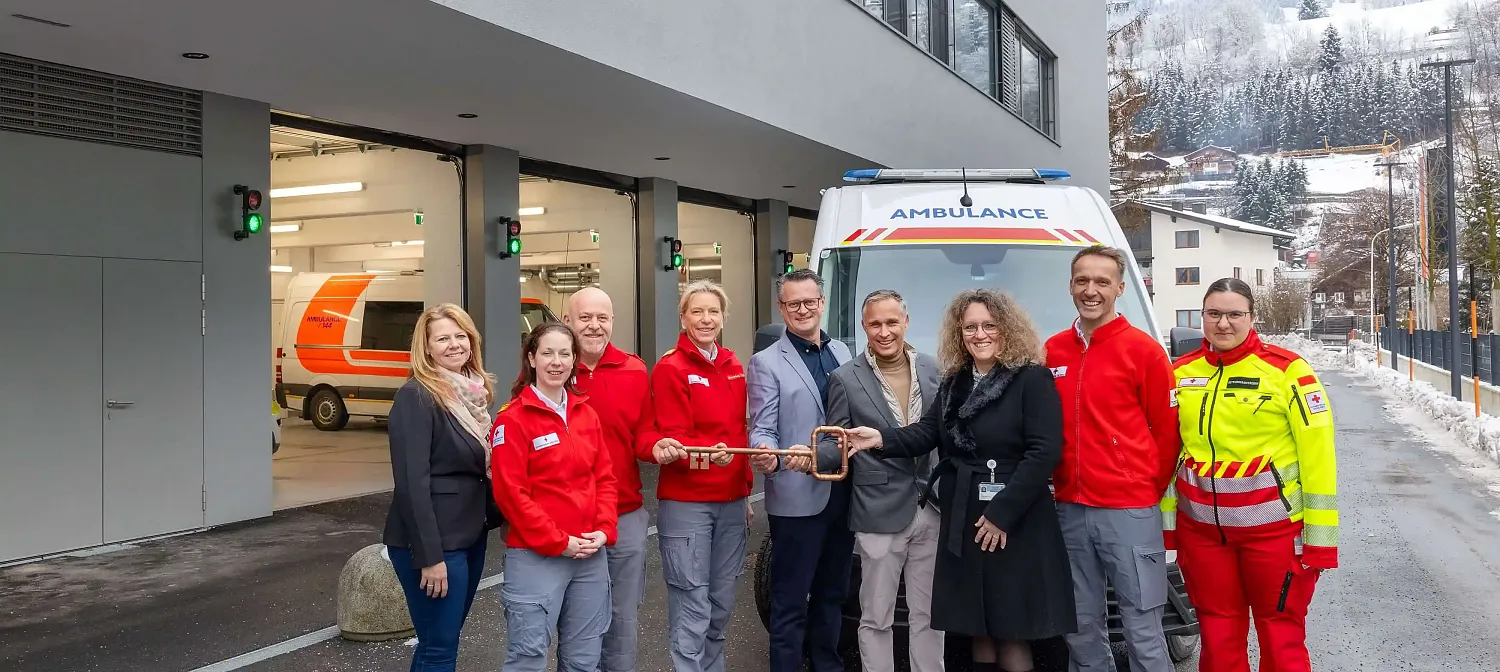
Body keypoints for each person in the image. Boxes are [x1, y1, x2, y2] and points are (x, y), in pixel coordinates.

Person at [836, 289, 1077, 672]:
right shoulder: (954, 383)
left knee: (1010, 627)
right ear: (958, 333)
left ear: (1006, 328)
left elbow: (1043, 452)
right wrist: (881, 438)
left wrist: (1002, 515)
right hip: (965, 515)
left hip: (1015, 519)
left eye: (988, 326)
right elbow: (925, 433)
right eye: (970, 327)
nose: (979, 335)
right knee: (977, 625)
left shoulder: (1031, 378)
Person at [1162, 278, 1339, 672]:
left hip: (1275, 535)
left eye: (1234, 314)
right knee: (1218, 635)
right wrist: (1169, 529)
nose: (1223, 323)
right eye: (1214, 314)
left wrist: (1320, 543)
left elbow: (1319, 459)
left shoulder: (1288, 372)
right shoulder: (1179, 373)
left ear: (1252, 317)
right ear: (1202, 317)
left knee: (1281, 636)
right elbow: (1170, 456)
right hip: (1203, 536)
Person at [786, 289, 945, 672]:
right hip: (878, 511)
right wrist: (808, 457)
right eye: (875, 323)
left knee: (930, 617)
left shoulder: (933, 368)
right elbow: (838, 442)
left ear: (906, 323)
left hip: (933, 506)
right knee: (876, 617)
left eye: (892, 322)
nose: (885, 331)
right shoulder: (845, 378)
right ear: (864, 327)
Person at [1043, 245, 1180, 672]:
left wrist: (1141, 487)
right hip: (1069, 509)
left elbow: (1169, 433)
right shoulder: (1053, 351)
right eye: (1082, 280)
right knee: (1081, 628)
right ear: (1069, 286)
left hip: (1129, 511)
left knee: (1143, 629)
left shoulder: (1144, 351)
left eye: (1102, 281)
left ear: (1120, 287)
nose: (1091, 290)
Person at [489, 322, 618, 672]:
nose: (556, 362)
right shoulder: (512, 420)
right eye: (547, 353)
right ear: (531, 358)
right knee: (528, 660)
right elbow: (510, 494)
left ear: (574, 359)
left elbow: (605, 478)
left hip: (590, 555)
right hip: (537, 557)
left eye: (565, 353)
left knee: (583, 661)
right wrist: (558, 541)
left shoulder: (585, 414)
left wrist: (605, 529)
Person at [382, 303, 501, 672]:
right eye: (442, 338)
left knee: (439, 641)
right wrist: (429, 557)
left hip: (469, 535)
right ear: (427, 348)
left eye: (460, 335)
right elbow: (411, 482)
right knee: (440, 647)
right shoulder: (417, 395)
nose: (454, 344)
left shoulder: (474, 396)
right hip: (433, 544)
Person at [746, 268, 855, 672]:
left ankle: (828, 664)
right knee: (790, 602)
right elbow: (761, 426)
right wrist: (766, 454)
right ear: (782, 308)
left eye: (810, 302)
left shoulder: (844, 353)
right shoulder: (766, 363)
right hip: (795, 497)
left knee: (833, 594)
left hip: (843, 494)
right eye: (794, 304)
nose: (803, 310)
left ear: (822, 303)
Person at [644, 279, 751, 672]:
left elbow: (740, 432)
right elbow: (675, 436)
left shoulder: (734, 365)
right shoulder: (671, 368)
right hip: (689, 503)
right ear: (683, 317)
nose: (706, 319)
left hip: (730, 502)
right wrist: (708, 459)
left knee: (721, 603)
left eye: (713, 312)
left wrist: (744, 491)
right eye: (697, 312)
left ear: (723, 317)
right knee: (692, 603)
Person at [561, 287, 667, 672]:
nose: (594, 326)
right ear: (567, 321)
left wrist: (657, 447)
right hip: (568, 518)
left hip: (624, 514)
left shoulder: (635, 370)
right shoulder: (553, 369)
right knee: (575, 618)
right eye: (585, 317)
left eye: (602, 318)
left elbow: (643, 433)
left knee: (622, 618)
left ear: (612, 321)